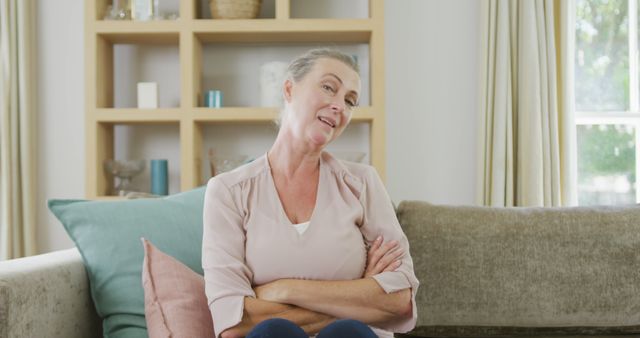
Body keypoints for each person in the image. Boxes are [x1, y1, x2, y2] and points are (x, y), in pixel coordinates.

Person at [203, 48, 419, 338]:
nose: (339, 106)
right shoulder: (228, 191)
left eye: (350, 101)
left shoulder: (362, 183)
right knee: (274, 332)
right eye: (329, 87)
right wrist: (359, 296)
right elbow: (232, 324)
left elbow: (398, 300)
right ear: (289, 89)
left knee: (348, 333)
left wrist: (283, 289)